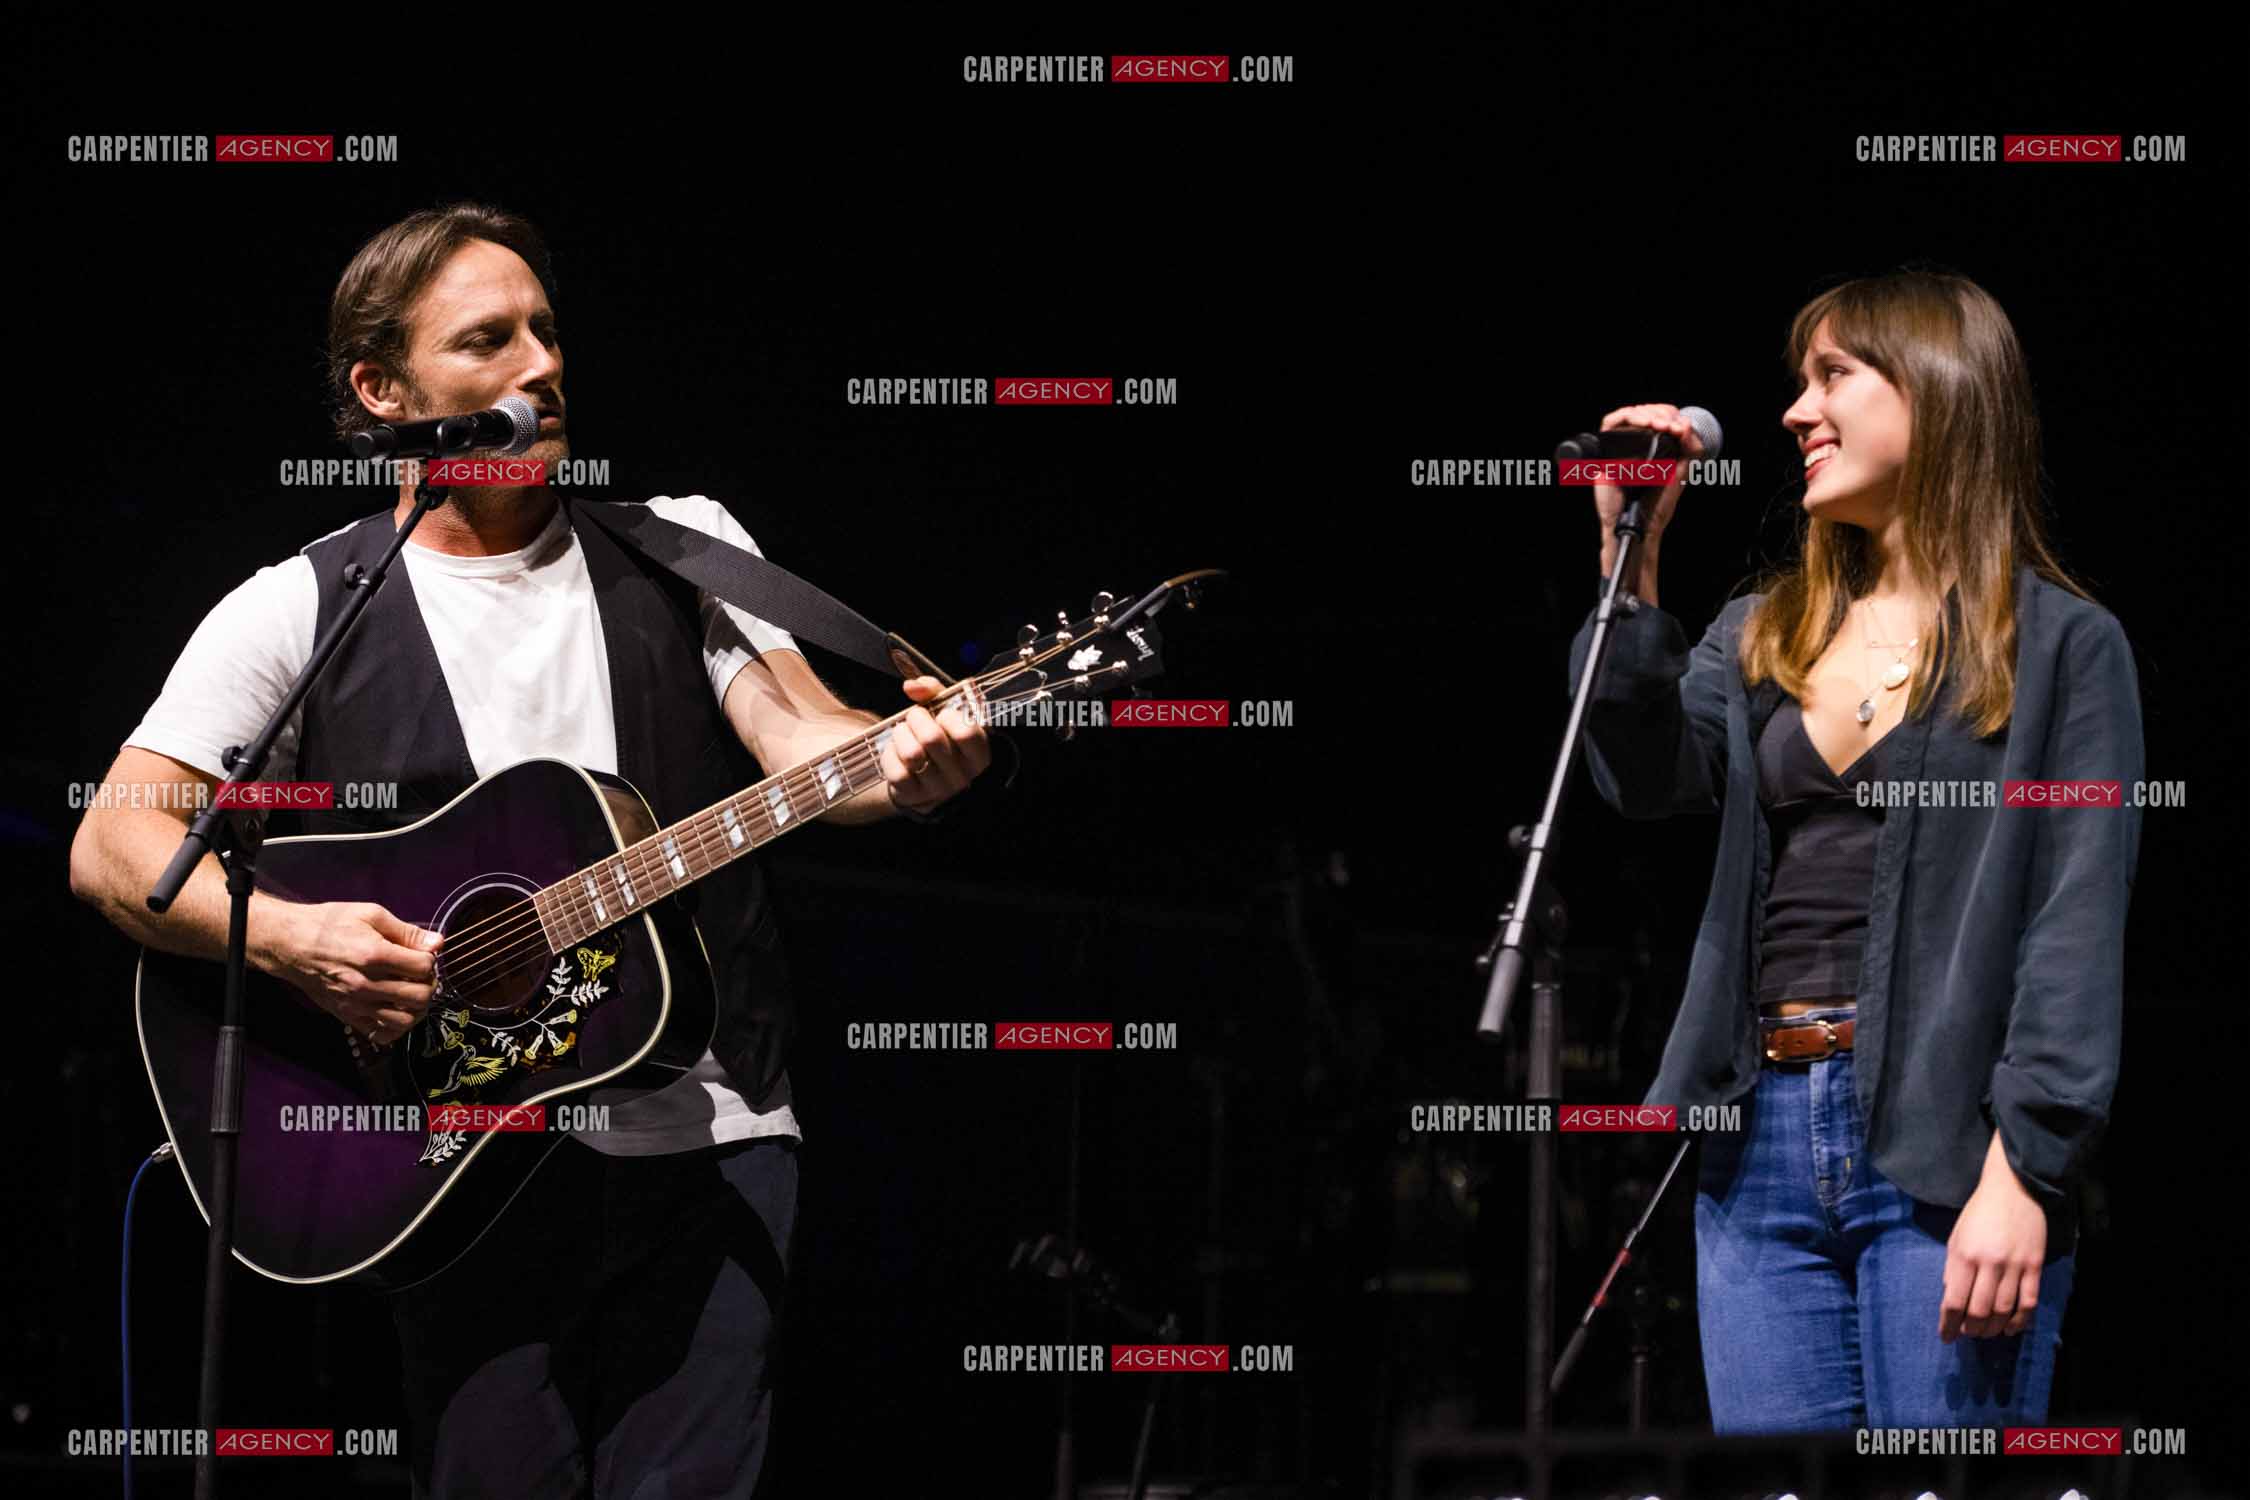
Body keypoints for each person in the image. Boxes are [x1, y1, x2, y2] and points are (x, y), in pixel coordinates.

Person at [68, 202, 996, 1496]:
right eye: (488, 342)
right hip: (455, 1167)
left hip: (709, 1136)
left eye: (547, 335)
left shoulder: (680, 544)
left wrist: (901, 767)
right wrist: (296, 935)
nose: (540, 367)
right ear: (384, 391)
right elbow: (117, 843)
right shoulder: (299, 607)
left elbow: (803, 740)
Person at [1566, 268, 2143, 1431]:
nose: (1794, 411)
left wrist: (2024, 1171)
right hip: (1757, 1144)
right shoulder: (1765, 630)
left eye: (1834, 374)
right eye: (1799, 381)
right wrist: (1629, 564)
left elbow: (2074, 925)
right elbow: (1638, 775)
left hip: (1944, 1146)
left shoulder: (2065, 648)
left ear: (1936, 393)